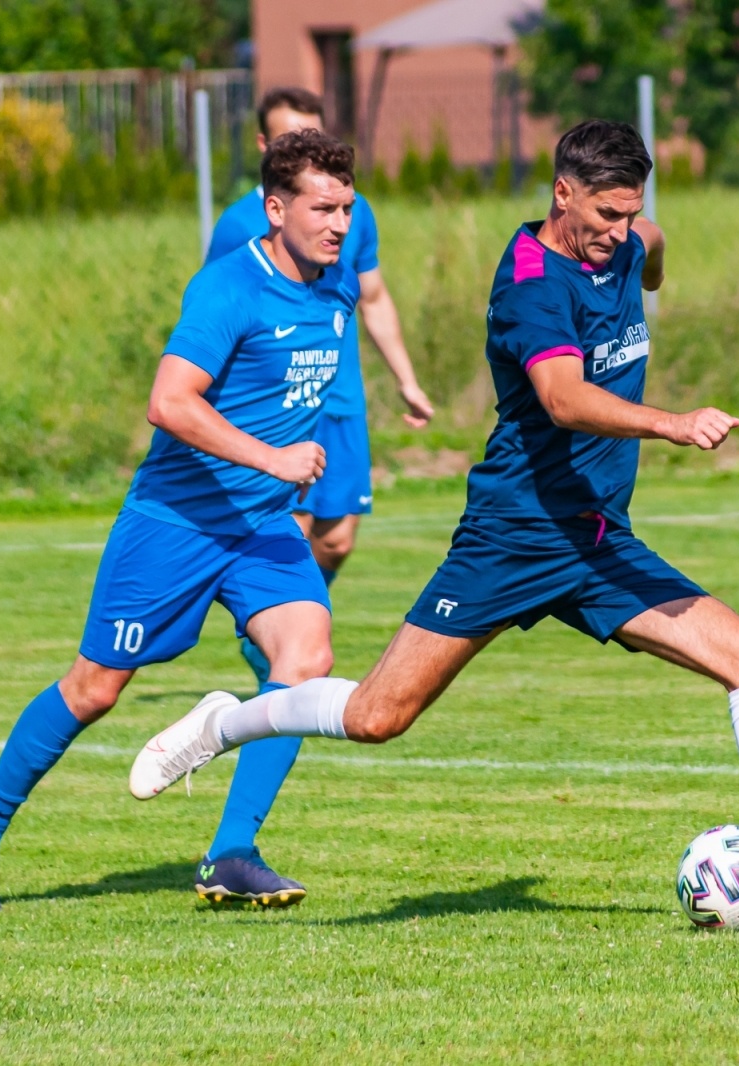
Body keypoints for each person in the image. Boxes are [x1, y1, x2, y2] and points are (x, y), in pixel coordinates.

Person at [131, 120, 739, 906]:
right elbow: (563, 398)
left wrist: (647, 258)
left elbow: (652, 243)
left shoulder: (626, 242)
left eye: (630, 213)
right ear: (562, 193)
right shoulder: (531, 284)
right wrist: (673, 423)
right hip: (513, 536)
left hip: (595, 538)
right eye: (605, 215)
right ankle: (225, 724)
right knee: (378, 716)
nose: (619, 232)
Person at [0, 130, 359, 912]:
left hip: (261, 527)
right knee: (96, 689)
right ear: (275, 210)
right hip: (176, 521)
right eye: (321, 208)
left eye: (346, 208)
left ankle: (231, 853)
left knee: (306, 658)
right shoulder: (230, 287)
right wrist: (271, 459)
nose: (339, 225)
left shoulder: (335, 289)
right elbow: (169, 403)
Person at [193, 88, 433, 906]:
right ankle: (273, 637)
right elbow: (219, 328)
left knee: (336, 538)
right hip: (262, 431)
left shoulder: (353, 216)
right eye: (288, 138)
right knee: (98, 682)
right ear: (266, 156)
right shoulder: (239, 229)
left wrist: (404, 378)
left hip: (335, 402)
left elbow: (371, 296)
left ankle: (279, 640)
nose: (334, 217)